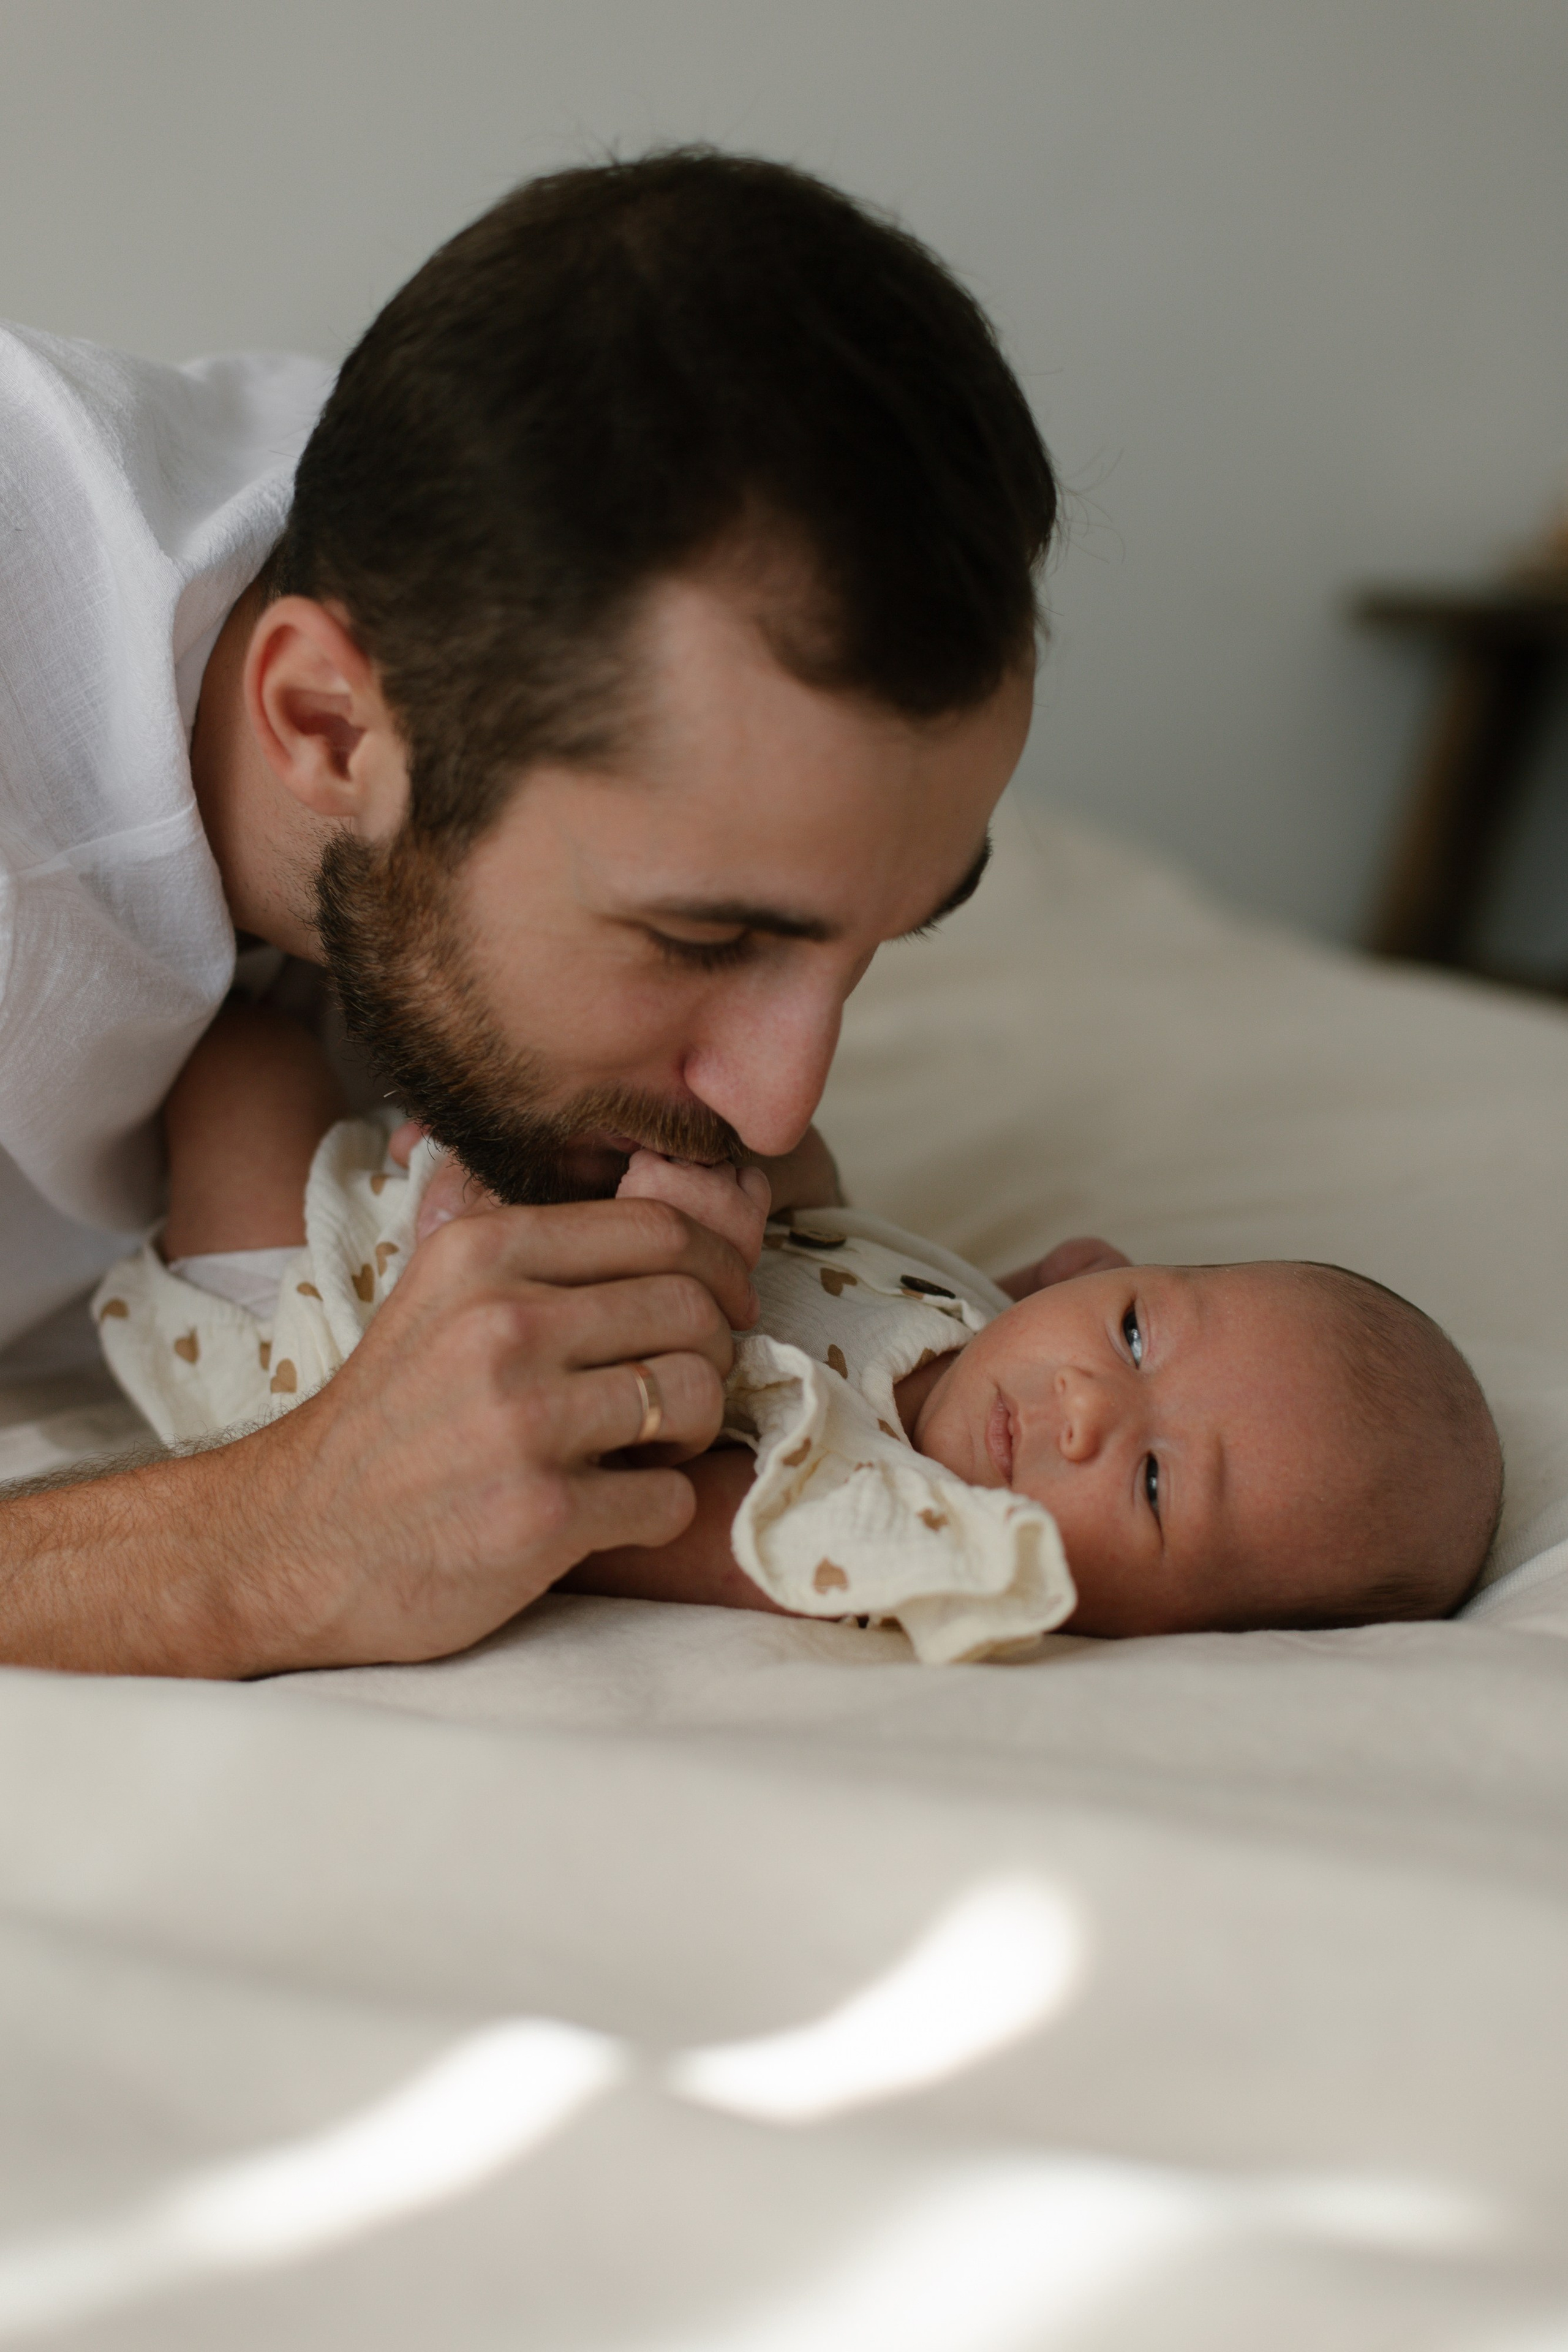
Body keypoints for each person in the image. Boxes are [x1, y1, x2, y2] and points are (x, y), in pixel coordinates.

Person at [0, 150, 1055, 1675]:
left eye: (878, 938)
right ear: (327, 726)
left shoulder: (490, 561)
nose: (777, 1107)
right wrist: (262, 1538)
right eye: (701, 940)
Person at [95, 1045, 1503, 1663]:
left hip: (320, 1346)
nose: (1083, 1406)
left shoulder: (893, 1530)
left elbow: (617, 1514)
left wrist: (668, 1287)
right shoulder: (980, 1328)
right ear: (1092, 1269)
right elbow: (829, 1234)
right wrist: (738, 1167)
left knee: (243, 1064)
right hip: (440, 1228)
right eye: (1132, 1335)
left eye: (1149, 1484)